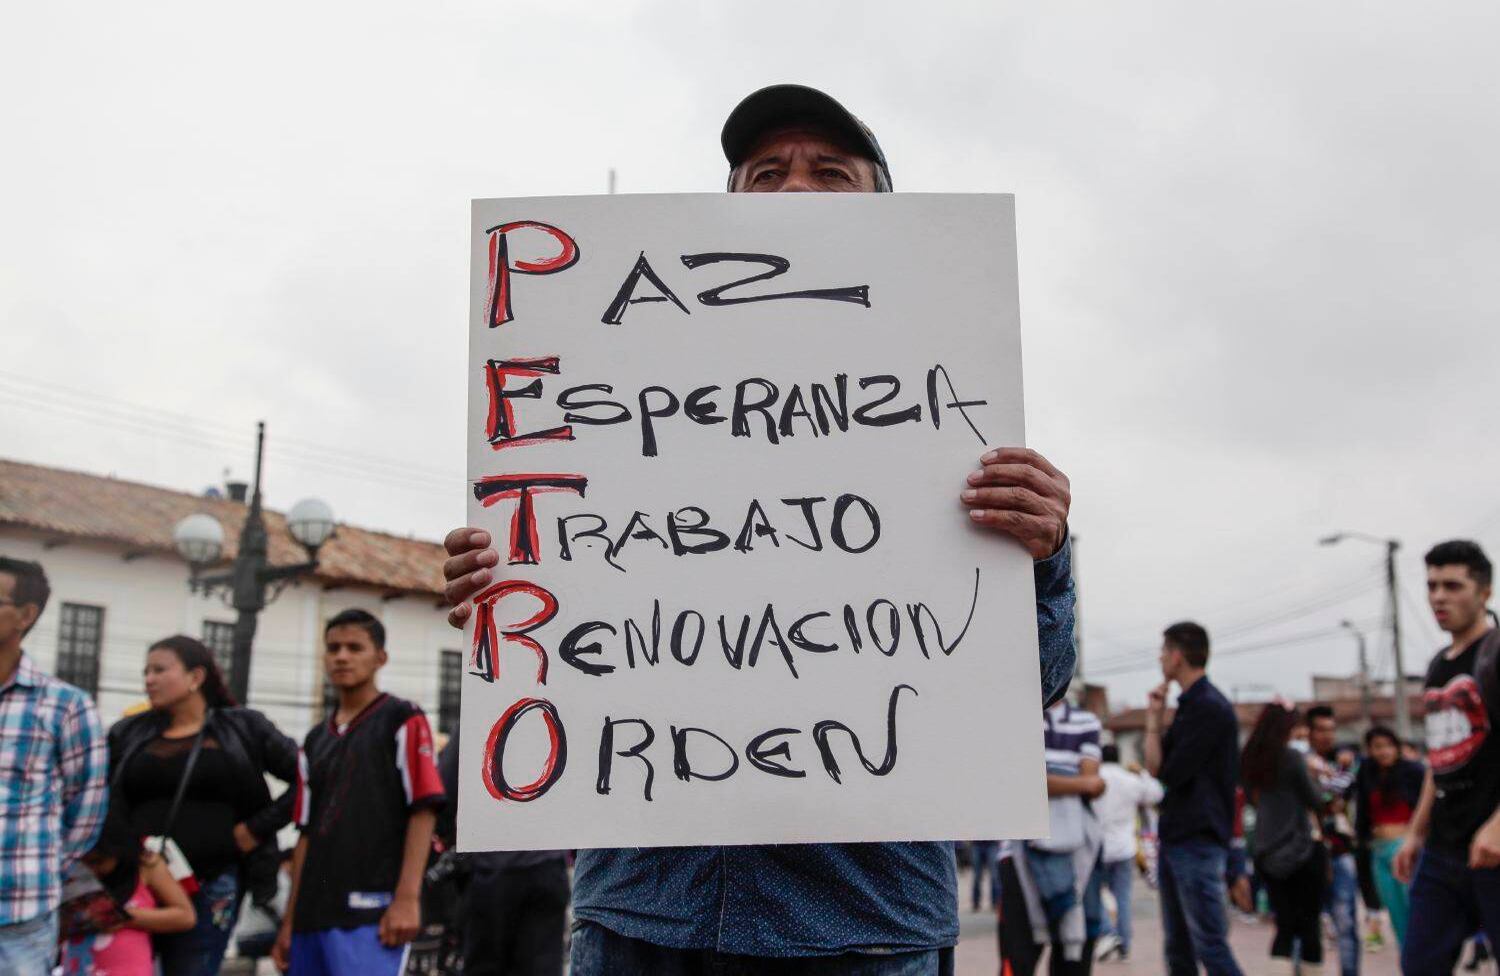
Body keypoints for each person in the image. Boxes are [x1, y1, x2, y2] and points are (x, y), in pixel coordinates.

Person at [440, 83, 1079, 975]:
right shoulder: (608, 401)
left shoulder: (957, 422)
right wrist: (507, 579)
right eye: (765, 172)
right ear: (724, 211)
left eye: (831, 173)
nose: (794, 191)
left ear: (890, 218)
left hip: (864, 924)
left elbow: (1026, 694)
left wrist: (1044, 562)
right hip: (646, 919)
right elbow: (565, 642)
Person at [108, 635, 299, 976]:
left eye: (160, 670)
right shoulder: (127, 733)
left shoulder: (244, 728)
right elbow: (102, 798)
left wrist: (256, 829)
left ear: (196, 677)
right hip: (139, 885)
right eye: (145, 671)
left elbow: (309, 778)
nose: (148, 679)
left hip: (212, 884)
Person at [273, 609, 445, 976]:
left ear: (379, 657)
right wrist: (289, 921)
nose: (342, 656)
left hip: (374, 909)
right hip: (312, 916)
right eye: (333, 647)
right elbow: (303, 832)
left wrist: (407, 899)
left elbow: (424, 809)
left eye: (355, 647)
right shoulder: (314, 740)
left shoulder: (403, 718)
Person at [1393, 540, 1500, 975]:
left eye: (1452, 585)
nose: (1438, 596)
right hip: (1444, 851)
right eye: (1432, 585)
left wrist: (1498, 824)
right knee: (1419, 965)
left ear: (1484, 593)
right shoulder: (1438, 665)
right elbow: (1441, 760)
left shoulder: (1495, 655)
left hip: (1494, 847)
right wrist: (1416, 833)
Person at [0, 556, 109, 976]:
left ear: (26, 616)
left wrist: (41, 864)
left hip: (19, 916)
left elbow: (86, 808)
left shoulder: (64, 706)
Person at [1143, 621, 1244, 976]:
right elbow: (1155, 768)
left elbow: (1170, 772)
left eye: (1162, 651)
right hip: (1177, 837)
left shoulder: (1209, 707)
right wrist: (1154, 719)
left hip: (1198, 839)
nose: (1159, 659)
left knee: (1210, 946)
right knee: (1178, 949)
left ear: (1176, 656)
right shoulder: (1188, 705)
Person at [435, 734, 569, 976]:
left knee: (486, 966)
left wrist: (451, 840)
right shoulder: (557, 715)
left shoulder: (478, 716)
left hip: (490, 869)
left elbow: (443, 790)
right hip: (546, 865)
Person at [996, 698, 1106, 976]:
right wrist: (1079, 782)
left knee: (1073, 959)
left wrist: (1047, 780)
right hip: (1017, 856)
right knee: (1017, 958)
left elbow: (1091, 784)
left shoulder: (1087, 721)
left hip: (1076, 858)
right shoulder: (1012, 716)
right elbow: (1022, 780)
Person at [61, 804, 197, 975]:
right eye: (84, 862)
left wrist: (123, 917)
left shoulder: (146, 865)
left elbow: (185, 916)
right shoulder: (69, 870)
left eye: (98, 862)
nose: (91, 870)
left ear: (118, 851)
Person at [1241, 701, 1326, 974]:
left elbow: (1253, 801)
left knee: (1284, 924)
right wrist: (1317, 776)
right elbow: (1314, 799)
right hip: (1299, 847)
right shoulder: (1291, 757)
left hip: (1266, 849)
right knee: (1309, 924)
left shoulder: (1250, 757)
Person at [1351, 725, 1422, 946]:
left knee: (1415, 909)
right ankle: (1408, 963)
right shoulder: (1366, 773)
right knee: (1395, 913)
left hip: (1404, 846)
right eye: (1377, 747)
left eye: (1388, 746)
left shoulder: (1413, 771)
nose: (1384, 752)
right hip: (1378, 849)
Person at [1092, 744, 1162, 962]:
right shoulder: (1129, 780)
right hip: (1124, 847)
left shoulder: (1095, 778)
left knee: (1093, 894)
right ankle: (1124, 943)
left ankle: (1108, 933)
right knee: (1123, 897)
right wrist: (1141, 772)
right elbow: (1156, 793)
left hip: (1098, 846)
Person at [1304, 704, 1360, 976]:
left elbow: (1334, 793)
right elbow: (1324, 796)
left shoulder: (1345, 760)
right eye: (1321, 730)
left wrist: (1334, 778)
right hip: (1306, 852)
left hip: (1339, 850)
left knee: (1346, 923)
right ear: (1309, 732)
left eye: (1331, 730)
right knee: (1306, 925)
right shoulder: (1299, 760)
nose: (1327, 735)